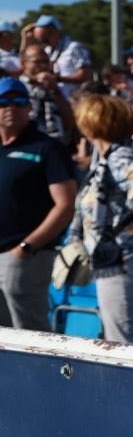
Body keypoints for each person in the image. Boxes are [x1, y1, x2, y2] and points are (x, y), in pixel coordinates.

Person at [69, 94, 133, 344]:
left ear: (90, 124)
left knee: (126, 339)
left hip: (125, 257)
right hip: (115, 258)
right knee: (118, 333)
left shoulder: (118, 156)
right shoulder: (104, 158)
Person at [0, 76, 76, 331]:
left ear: (28, 107)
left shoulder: (47, 148)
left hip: (23, 257)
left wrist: (27, 247)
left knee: (29, 333)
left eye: (18, 101)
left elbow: (65, 205)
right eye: (3, 101)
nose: (10, 107)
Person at [19, 43, 77, 149]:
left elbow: (70, 122)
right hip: (29, 148)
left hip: (57, 149)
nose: (43, 66)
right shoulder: (17, 88)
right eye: (38, 62)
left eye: (46, 62)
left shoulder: (55, 88)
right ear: (23, 64)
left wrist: (55, 90)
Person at [28, 15, 93, 88]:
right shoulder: (48, 50)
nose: (43, 44)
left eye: (45, 39)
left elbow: (86, 75)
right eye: (40, 41)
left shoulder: (75, 47)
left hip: (74, 96)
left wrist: (57, 79)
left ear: (55, 32)